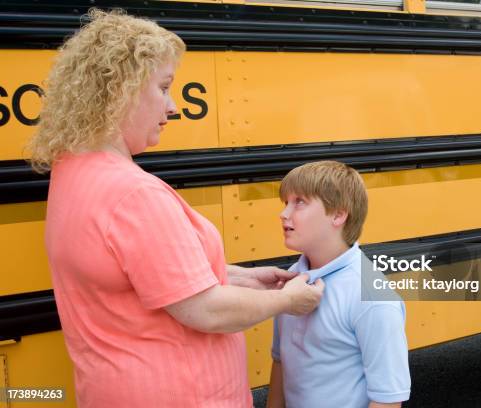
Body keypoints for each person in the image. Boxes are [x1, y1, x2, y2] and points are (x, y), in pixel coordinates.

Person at [29, 9, 324, 408]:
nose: (172, 107)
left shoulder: (73, 173)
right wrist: (287, 301)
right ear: (123, 90)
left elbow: (145, 279)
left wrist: (240, 277)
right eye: (163, 88)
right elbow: (205, 310)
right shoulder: (133, 195)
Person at [267, 161, 411, 408]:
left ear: (338, 215)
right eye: (285, 203)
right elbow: (281, 362)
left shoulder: (372, 296)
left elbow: (387, 399)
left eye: (299, 202)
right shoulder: (293, 277)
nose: (284, 213)